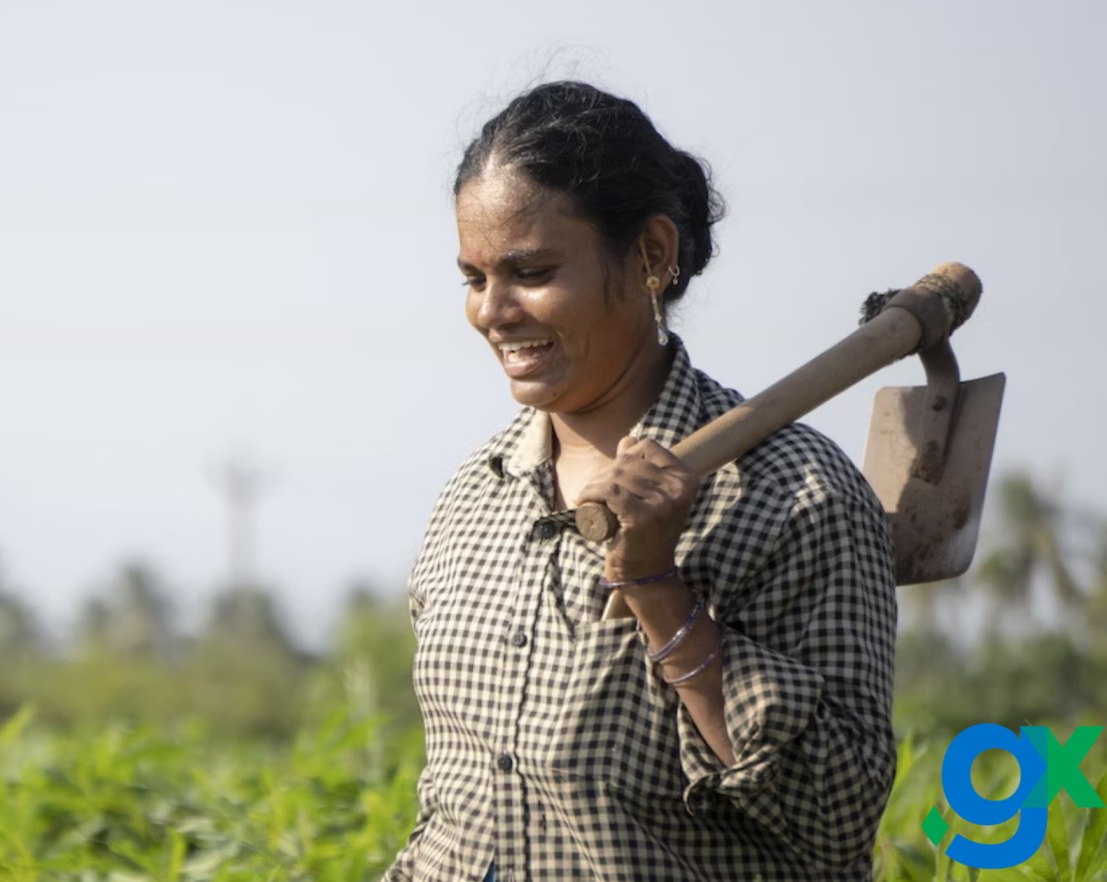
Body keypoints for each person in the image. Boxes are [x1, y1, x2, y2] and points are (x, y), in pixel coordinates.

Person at [382, 81, 898, 881]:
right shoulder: (472, 496)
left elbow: (836, 818)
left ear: (653, 255)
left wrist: (661, 591)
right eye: (474, 279)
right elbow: (451, 808)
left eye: (531, 271)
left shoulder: (793, 495)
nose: (494, 311)